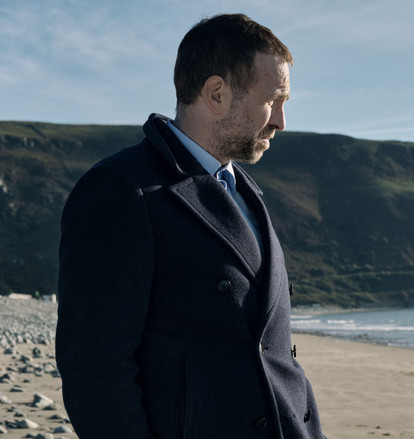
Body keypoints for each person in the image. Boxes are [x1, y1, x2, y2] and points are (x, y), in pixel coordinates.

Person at [56, 14, 325, 439]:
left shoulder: (245, 191)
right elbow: (95, 370)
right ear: (217, 93)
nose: (281, 121)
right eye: (274, 99)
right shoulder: (121, 190)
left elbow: (274, 354)